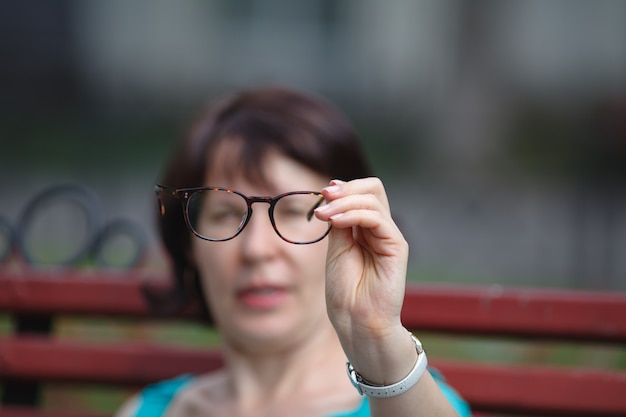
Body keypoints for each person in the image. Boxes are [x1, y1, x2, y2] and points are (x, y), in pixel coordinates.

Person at [115, 86, 471, 417]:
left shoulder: (412, 402)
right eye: (225, 214)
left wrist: (376, 339)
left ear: (353, 229)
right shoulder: (151, 410)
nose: (256, 249)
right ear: (189, 244)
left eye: (292, 210)